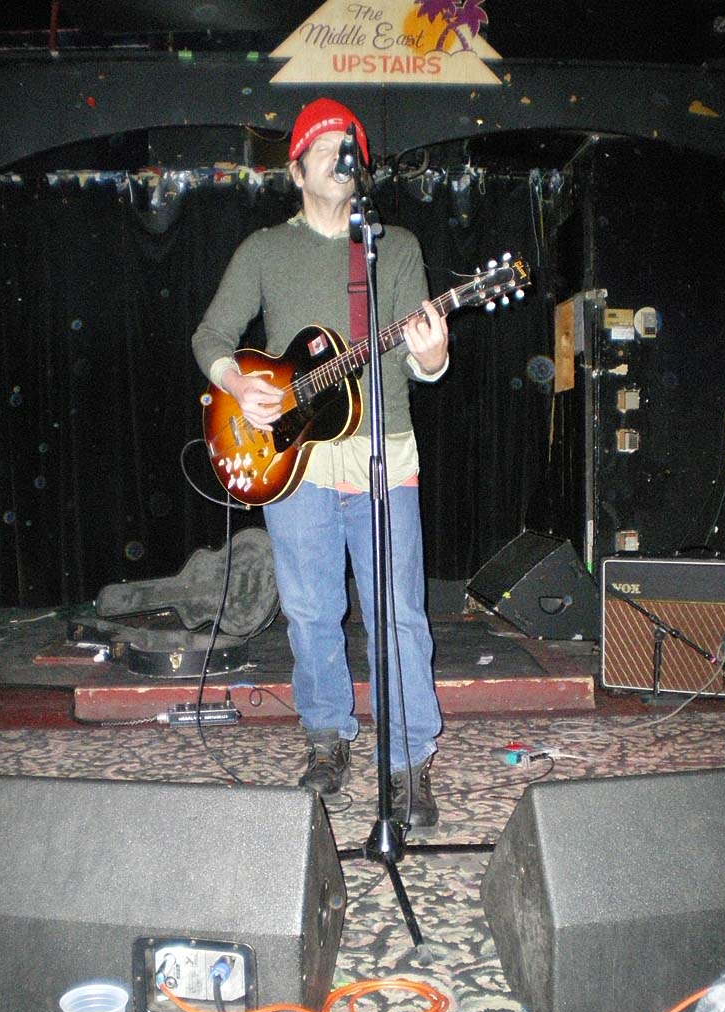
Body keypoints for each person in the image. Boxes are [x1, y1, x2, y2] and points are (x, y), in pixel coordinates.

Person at [192, 98, 449, 827]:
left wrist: (433, 357)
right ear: (298, 166)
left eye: (352, 146)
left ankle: (408, 766)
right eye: (329, 145)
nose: (344, 155)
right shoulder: (264, 251)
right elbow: (210, 333)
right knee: (310, 612)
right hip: (294, 464)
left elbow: (420, 356)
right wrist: (239, 382)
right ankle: (328, 735)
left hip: (381, 457)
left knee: (397, 616)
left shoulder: (392, 247)